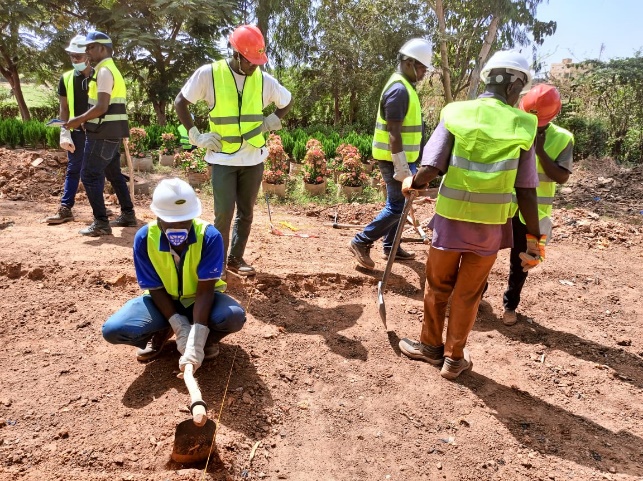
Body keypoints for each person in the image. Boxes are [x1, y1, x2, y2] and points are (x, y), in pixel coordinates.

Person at [397, 50, 546, 380]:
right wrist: (535, 239)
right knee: (468, 294)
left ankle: (430, 348)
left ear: (487, 79)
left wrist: (413, 181)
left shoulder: (457, 113)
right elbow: (526, 190)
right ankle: (454, 359)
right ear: (516, 85)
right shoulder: (524, 124)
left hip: (450, 223)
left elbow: (432, 166)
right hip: (490, 229)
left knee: (437, 288)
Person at [175, 24, 292, 276]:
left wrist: (272, 119)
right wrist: (195, 135)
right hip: (222, 159)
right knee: (223, 214)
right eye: (250, 61)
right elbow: (180, 102)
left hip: (253, 158)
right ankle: (215, 264)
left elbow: (287, 99)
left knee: (246, 213)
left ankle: (235, 259)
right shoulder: (210, 74)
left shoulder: (263, 79)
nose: (254, 66)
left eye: (258, 61)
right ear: (236, 54)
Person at [102, 178, 246, 367]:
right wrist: (178, 325)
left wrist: (197, 337)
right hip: (161, 301)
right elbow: (154, 287)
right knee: (114, 330)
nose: (178, 228)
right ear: (158, 217)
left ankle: (204, 341)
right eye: (171, 222)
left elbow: (205, 290)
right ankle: (163, 330)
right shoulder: (144, 238)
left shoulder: (209, 237)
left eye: (185, 222)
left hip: (200, 300)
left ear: (193, 216)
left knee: (233, 316)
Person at [348, 38, 432, 269]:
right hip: (393, 159)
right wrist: (402, 168)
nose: (424, 73)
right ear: (409, 63)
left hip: (404, 158)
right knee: (397, 206)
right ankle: (361, 241)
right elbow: (394, 131)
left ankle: (391, 245)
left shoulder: (405, 87)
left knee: (402, 203)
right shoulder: (398, 90)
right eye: (422, 67)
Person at [501, 84, 573, 326]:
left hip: (534, 213)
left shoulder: (562, 138)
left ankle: (510, 306)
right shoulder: (511, 126)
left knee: (523, 260)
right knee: (483, 254)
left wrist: (540, 151)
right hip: (500, 205)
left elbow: (562, 176)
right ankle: (476, 296)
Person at [63, 31, 136, 236]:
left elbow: (102, 106)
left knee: (89, 175)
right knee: (112, 173)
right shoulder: (108, 69)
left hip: (102, 133)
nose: (87, 51)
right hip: (109, 131)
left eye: (91, 47)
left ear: (103, 48)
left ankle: (101, 222)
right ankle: (128, 214)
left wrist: (78, 120)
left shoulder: (104, 71)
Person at [46, 35, 93, 225]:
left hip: (98, 132)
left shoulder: (100, 76)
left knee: (99, 170)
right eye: (72, 56)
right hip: (77, 133)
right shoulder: (65, 78)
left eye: (78, 56)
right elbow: (64, 109)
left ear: (88, 55)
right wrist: (64, 132)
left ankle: (102, 210)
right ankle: (66, 208)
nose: (75, 60)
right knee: (74, 169)